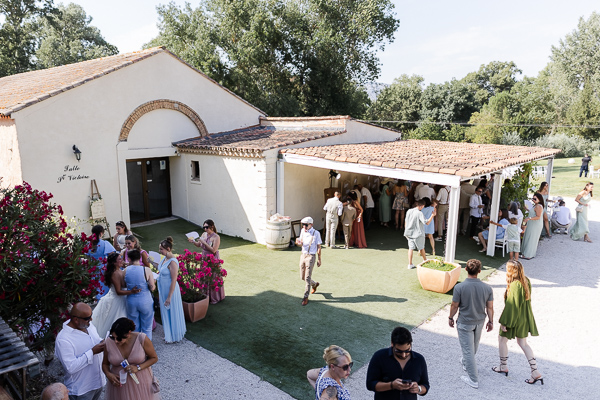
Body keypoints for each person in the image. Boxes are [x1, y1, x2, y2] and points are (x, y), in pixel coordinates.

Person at [492, 261, 543, 385]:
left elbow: (512, 306)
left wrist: (505, 322)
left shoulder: (515, 284)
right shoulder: (526, 280)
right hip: (524, 317)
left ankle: (503, 366)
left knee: (502, 339)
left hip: (514, 318)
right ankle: (535, 371)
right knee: (523, 343)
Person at [448, 259, 494, 389]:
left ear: (466, 269)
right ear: (479, 271)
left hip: (465, 323)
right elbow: (490, 308)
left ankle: (473, 379)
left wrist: (450, 317)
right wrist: (491, 321)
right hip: (480, 322)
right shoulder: (487, 288)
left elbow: (454, 305)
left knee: (468, 350)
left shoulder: (459, 287)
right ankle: (465, 362)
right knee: (473, 346)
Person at [55, 303, 106, 400]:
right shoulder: (63, 339)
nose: (91, 319)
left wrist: (102, 342)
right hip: (82, 389)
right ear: (76, 319)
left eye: (91, 316)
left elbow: (95, 340)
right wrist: (92, 352)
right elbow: (70, 367)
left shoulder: (88, 326)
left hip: (98, 382)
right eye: (88, 318)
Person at [366, 326, 429, 399]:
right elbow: (370, 384)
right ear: (392, 344)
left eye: (407, 350)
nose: (403, 355)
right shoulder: (379, 357)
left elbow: (425, 385)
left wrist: (418, 389)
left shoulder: (419, 360)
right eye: (399, 351)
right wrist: (392, 385)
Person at [102, 318, 158, 399]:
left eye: (119, 338)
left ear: (128, 333)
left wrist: (138, 367)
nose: (116, 341)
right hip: (119, 386)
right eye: (113, 337)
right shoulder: (108, 342)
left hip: (141, 382)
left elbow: (154, 358)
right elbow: (105, 364)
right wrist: (108, 374)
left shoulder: (141, 339)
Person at [92, 253, 141, 338]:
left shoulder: (120, 270)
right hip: (116, 299)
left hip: (122, 298)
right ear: (114, 263)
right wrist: (131, 291)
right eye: (119, 259)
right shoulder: (114, 273)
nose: (122, 260)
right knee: (116, 319)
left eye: (121, 258)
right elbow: (118, 291)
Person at [157, 236, 187, 343]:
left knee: (171, 310)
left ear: (168, 249)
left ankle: (174, 335)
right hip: (163, 289)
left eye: (161, 249)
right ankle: (168, 334)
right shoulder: (164, 259)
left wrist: (169, 297)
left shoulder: (173, 262)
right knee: (165, 312)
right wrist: (152, 262)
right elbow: (161, 269)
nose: (159, 251)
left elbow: (174, 280)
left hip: (171, 290)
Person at [189, 219, 225, 303]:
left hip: (212, 259)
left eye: (207, 227)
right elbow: (199, 245)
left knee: (212, 277)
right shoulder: (204, 234)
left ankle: (214, 297)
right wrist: (193, 241)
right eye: (204, 227)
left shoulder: (216, 237)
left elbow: (214, 250)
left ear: (212, 227)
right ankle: (205, 295)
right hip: (204, 258)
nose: (205, 229)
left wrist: (204, 243)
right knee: (204, 276)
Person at [124, 249, 155, 339]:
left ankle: (135, 346)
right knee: (147, 327)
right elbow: (152, 287)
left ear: (129, 259)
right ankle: (146, 347)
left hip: (131, 301)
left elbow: (124, 284)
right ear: (140, 257)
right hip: (145, 300)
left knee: (134, 327)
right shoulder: (146, 270)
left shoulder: (126, 270)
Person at [295, 216, 322, 306]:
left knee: (307, 278)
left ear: (311, 224)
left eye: (306, 225)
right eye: (303, 225)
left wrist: (319, 259)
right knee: (302, 277)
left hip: (311, 256)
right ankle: (314, 284)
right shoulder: (303, 231)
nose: (304, 227)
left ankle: (305, 297)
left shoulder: (316, 233)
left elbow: (319, 246)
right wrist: (298, 242)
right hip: (303, 255)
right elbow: (300, 241)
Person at [404, 199, 435, 269]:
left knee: (410, 248)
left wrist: (406, 230)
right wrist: (432, 215)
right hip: (418, 233)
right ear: (422, 206)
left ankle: (410, 264)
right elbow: (427, 222)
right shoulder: (419, 213)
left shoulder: (409, 211)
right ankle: (425, 260)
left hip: (409, 232)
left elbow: (406, 221)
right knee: (421, 248)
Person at [88, 224, 117, 299]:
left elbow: (86, 256)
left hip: (92, 268)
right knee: (103, 288)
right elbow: (113, 255)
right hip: (102, 269)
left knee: (96, 287)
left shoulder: (88, 244)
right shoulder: (104, 243)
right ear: (101, 233)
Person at [520, 193, 545, 259]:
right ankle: (526, 252)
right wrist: (527, 209)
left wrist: (529, 218)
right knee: (528, 236)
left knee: (532, 238)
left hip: (535, 224)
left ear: (539, 199)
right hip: (532, 223)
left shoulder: (539, 206)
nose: (533, 200)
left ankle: (528, 254)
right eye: (533, 198)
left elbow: (538, 216)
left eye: (535, 199)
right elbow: (534, 212)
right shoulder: (536, 205)